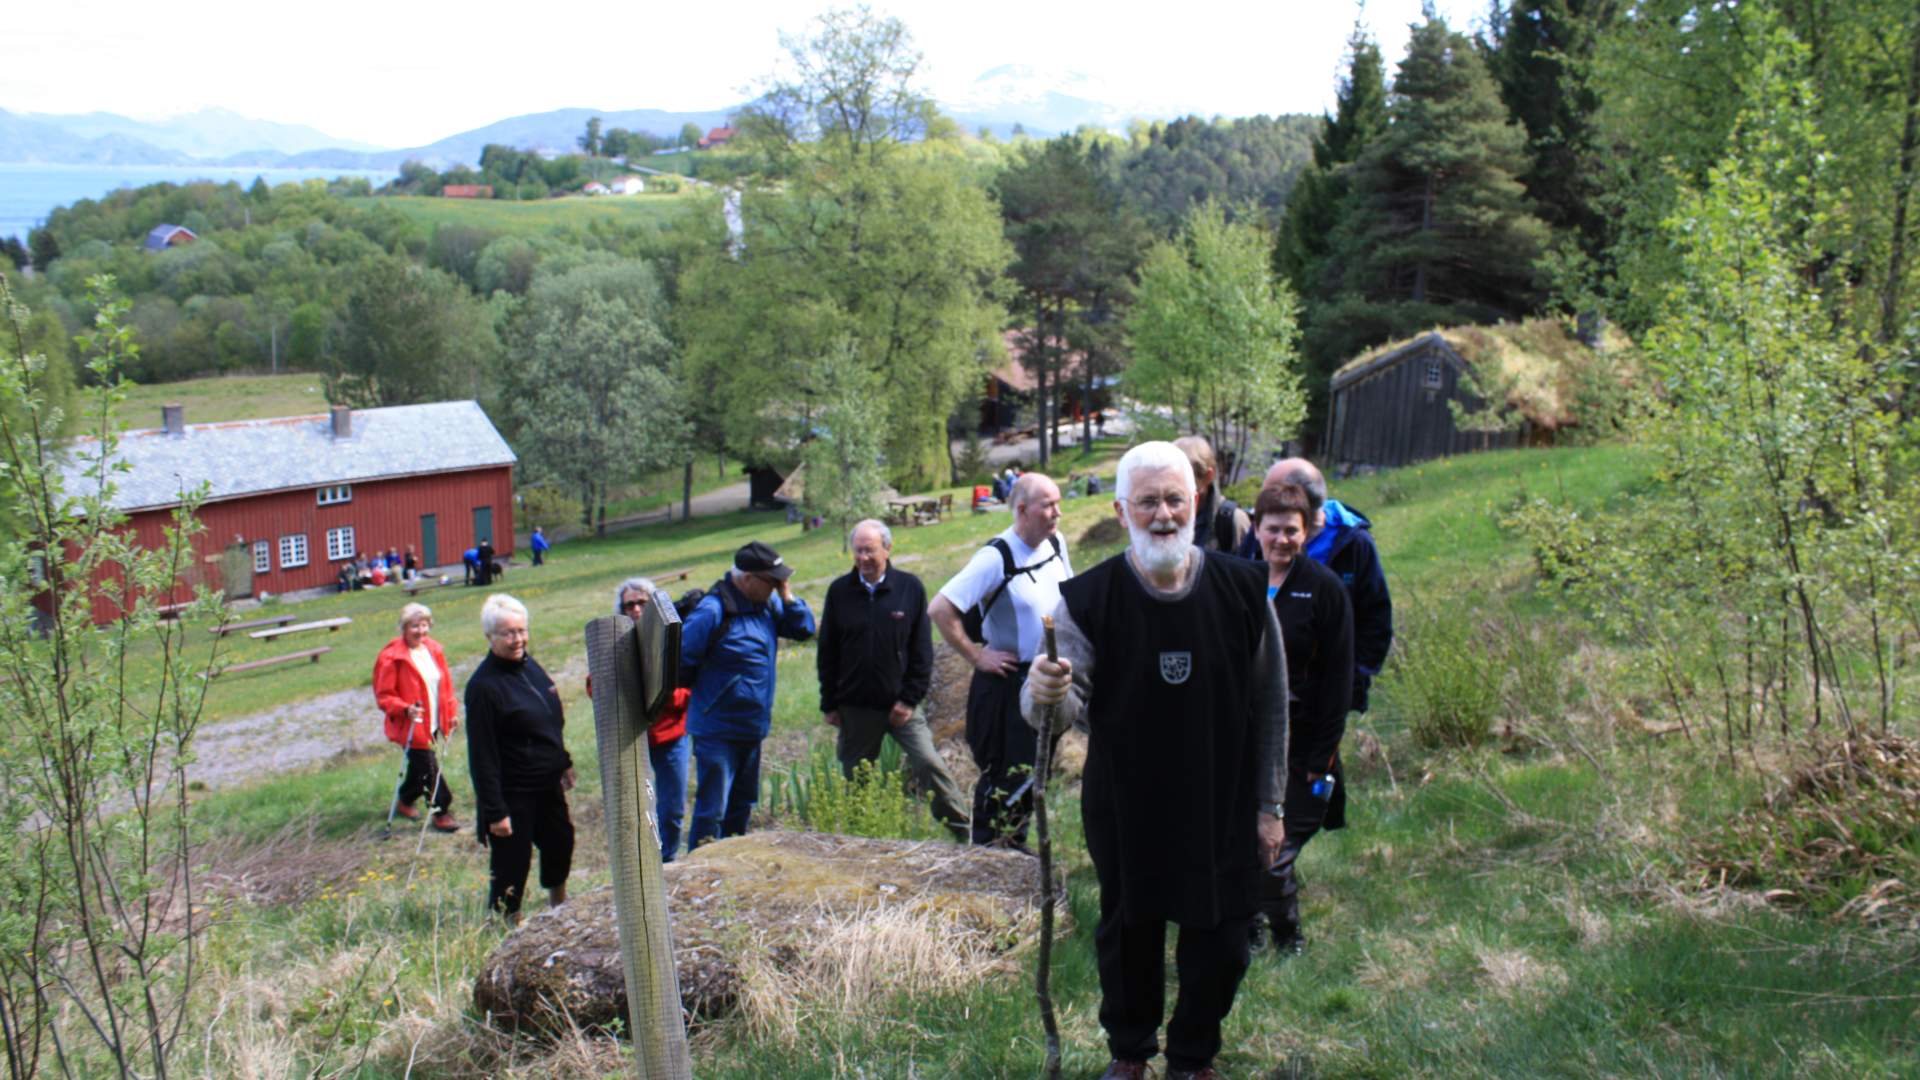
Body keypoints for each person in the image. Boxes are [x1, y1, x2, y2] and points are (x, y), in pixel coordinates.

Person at [1024, 441, 1288, 1080]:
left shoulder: (1244, 589)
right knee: (1130, 935)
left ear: (1195, 502)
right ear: (1122, 510)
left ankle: (1192, 1057)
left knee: (1224, 940)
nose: (1164, 513)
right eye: (1148, 502)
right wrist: (1043, 691)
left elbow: (1273, 704)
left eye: (1175, 499)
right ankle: (1131, 1053)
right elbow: (1052, 717)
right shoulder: (1086, 601)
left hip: (1221, 801)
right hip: (1127, 804)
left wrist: (1271, 805)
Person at [929, 471, 1071, 849]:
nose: (1057, 512)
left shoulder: (1056, 543)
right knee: (1003, 777)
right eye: (1048, 505)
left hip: (1045, 680)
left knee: (1034, 773)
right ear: (1022, 509)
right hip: (1006, 684)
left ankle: (1017, 851)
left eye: (1058, 502)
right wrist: (977, 656)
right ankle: (988, 860)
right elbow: (941, 608)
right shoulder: (996, 557)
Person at [1249, 484, 1354, 954]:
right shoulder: (1241, 583)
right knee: (1243, 840)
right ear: (1256, 529)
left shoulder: (1325, 590)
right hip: (1250, 741)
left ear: (1307, 531)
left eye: (1291, 530)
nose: (1282, 539)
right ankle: (1246, 927)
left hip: (1307, 744)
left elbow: (1338, 681)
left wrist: (1321, 758)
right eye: (1273, 529)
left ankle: (1288, 937)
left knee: (1276, 848)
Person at [818, 519, 969, 840]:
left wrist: (909, 700)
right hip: (855, 707)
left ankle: (965, 832)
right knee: (855, 782)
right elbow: (827, 652)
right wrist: (829, 703)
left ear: (887, 549)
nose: (863, 558)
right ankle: (859, 842)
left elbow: (922, 652)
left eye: (870, 550)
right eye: (858, 551)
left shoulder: (909, 588)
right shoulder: (839, 592)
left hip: (901, 707)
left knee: (929, 765)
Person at [680, 541, 816, 849]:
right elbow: (680, 660)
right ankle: (699, 872)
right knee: (711, 811)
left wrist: (787, 595)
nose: (775, 588)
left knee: (741, 807)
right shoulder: (713, 611)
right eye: (772, 581)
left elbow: (805, 629)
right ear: (747, 579)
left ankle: (730, 872)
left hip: (752, 728)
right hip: (717, 730)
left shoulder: (767, 604)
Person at [1235, 458, 1392, 713]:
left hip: (1323, 696)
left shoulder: (1353, 543)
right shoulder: (1263, 533)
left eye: (1274, 491)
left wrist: (1352, 680)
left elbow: (1376, 618)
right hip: (1259, 690)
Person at [465, 593, 575, 921]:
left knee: (560, 843)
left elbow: (548, 718)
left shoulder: (530, 666)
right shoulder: (484, 687)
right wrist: (494, 811)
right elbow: (481, 754)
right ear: (490, 637)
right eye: (508, 633)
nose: (518, 640)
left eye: (522, 631)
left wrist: (563, 760)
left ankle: (559, 905)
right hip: (513, 792)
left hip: (546, 783)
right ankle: (505, 922)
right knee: (512, 863)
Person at [614, 576, 694, 862]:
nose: (635, 609)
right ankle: (644, 863)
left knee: (672, 808)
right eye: (629, 605)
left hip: (672, 735)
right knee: (637, 809)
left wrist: (668, 698)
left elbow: (689, 684)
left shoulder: (672, 638)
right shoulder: (616, 642)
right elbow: (594, 685)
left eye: (642, 603)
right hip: (634, 741)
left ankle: (669, 857)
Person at [372, 602, 461, 832]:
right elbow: (384, 696)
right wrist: (405, 708)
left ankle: (405, 798)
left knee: (420, 767)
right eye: (414, 626)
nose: (420, 631)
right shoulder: (391, 657)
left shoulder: (434, 650)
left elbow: (446, 687)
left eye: (424, 625)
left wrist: (451, 714)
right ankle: (441, 811)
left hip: (434, 721)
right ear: (404, 627)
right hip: (409, 726)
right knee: (430, 768)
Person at [1175, 435, 1250, 555]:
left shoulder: (1232, 520)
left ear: (1208, 476)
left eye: (1183, 477)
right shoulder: (1163, 515)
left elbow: (1246, 570)